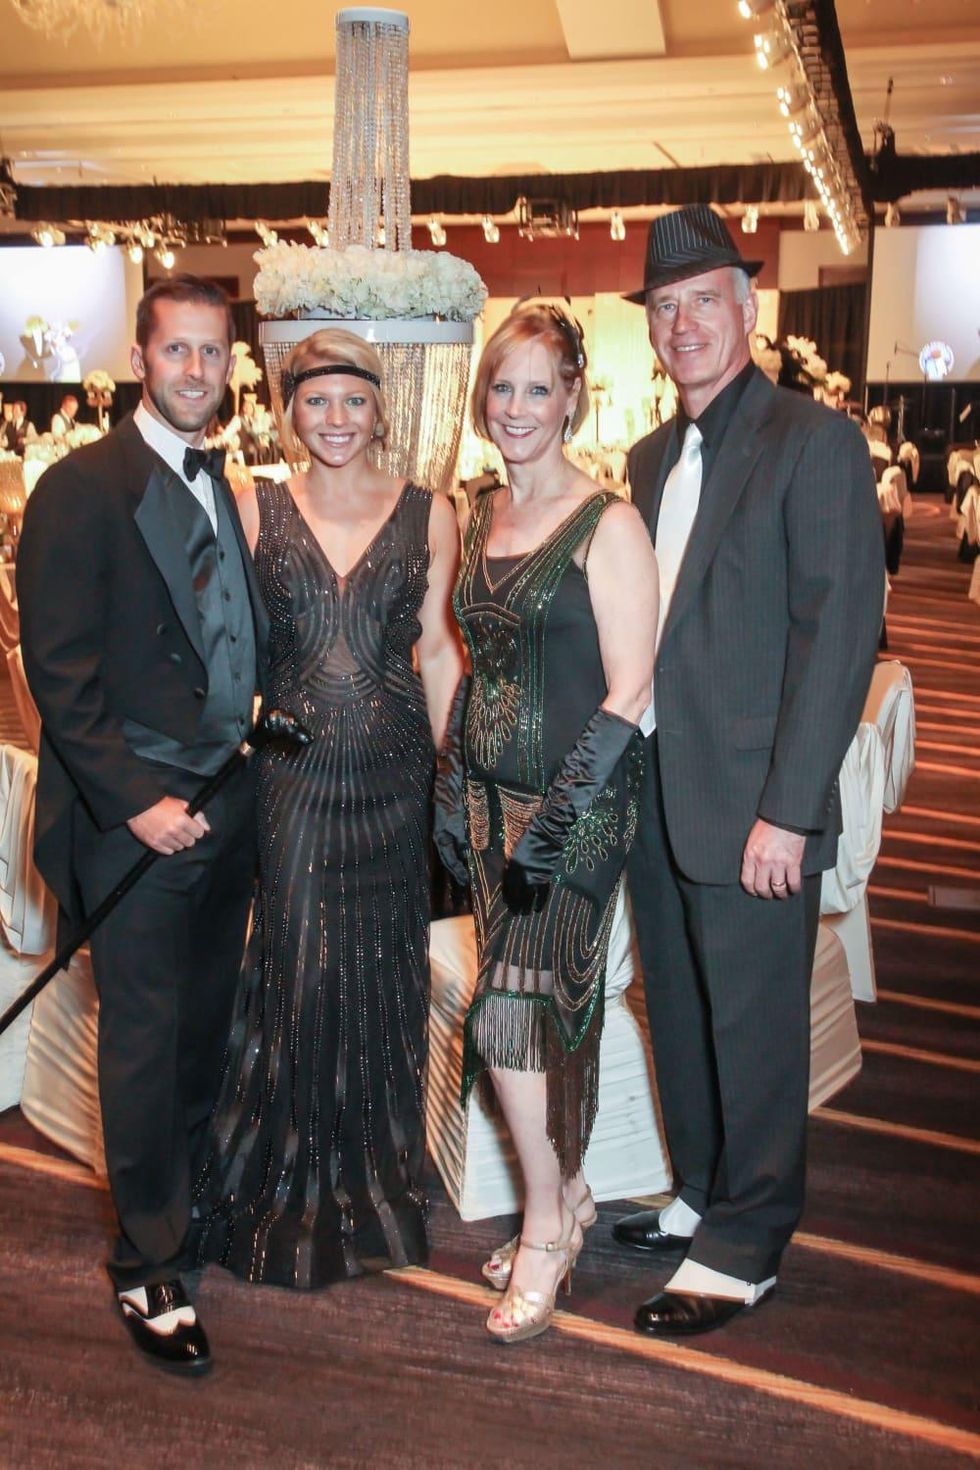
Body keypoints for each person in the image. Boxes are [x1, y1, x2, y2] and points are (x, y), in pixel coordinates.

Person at [615, 205, 884, 1336]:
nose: (683, 325)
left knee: (754, 1023)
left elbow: (838, 634)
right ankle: (699, 1192)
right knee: (676, 1011)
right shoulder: (641, 458)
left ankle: (747, 1238)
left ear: (748, 306)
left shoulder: (810, 440)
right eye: (665, 308)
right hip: (655, 793)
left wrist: (787, 808)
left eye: (703, 301)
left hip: (750, 802)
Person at [17, 275, 268, 1375]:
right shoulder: (80, 487)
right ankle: (147, 1261)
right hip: (138, 816)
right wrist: (140, 804)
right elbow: (59, 676)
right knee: (142, 1040)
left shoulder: (225, 485)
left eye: (213, 354)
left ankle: (185, 1207)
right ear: (141, 356)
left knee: (205, 1027)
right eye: (179, 352)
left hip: (224, 809)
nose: (197, 372)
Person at [194, 328, 463, 1289]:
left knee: (386, 973)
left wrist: (449, 775)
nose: (336, 419)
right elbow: (225, 651)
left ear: (379, 408)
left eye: (353, 400)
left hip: (396, 776)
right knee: (301, 967)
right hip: (295, 777)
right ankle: (294, 1184)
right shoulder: (253, 505)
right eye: (316, 401)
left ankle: (376, 1186)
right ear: (288, 409)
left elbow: (435, 649)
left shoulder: (432, 512)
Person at [439, 303, 658, 1344]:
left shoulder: (606, 522)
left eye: (537, 387)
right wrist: (453, 789)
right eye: (501, 387)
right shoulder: (477, 512)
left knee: (508, 1015)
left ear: (571, 395)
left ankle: (543, 1227)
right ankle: (567, 1195)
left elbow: (628, 691)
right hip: (483, 807)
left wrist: (546, 826)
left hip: (577, 812)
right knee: (543, 1016)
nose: (516, 408)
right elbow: (471, 664)